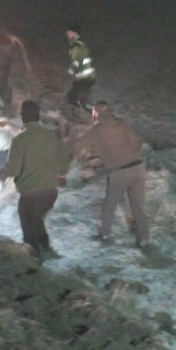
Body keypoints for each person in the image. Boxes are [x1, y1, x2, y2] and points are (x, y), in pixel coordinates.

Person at [0, 99, 71, 260]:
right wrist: (60, 175)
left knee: (28, 223)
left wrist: (0, 174)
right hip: (51, 192)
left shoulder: (19, 140)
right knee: (37, 220)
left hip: (31, 194)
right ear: (38, 116)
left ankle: (35, 254)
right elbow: (64, 163)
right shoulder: (51, 136)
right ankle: (45, 248)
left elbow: (14, 169)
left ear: (23, 116)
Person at [72, 100, 150, 247]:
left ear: (95, 114)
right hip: (138, 167)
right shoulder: (121, 124)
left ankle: (105, 234)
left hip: (120, 172)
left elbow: (79, 145)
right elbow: (137, 141)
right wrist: (129, 152)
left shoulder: (96, 131)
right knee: (138, 206)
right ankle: (145, 238)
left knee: (110, 204)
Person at [65, 24, 96, 112]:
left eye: (69, 33)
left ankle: (92, 115)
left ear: (75, 33)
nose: (67, 34)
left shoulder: (76, 46)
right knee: (72, 96)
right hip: (86, 76)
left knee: (80, 100)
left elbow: (77, 61)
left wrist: (71, 70)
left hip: (85, 77)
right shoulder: (80, 44)